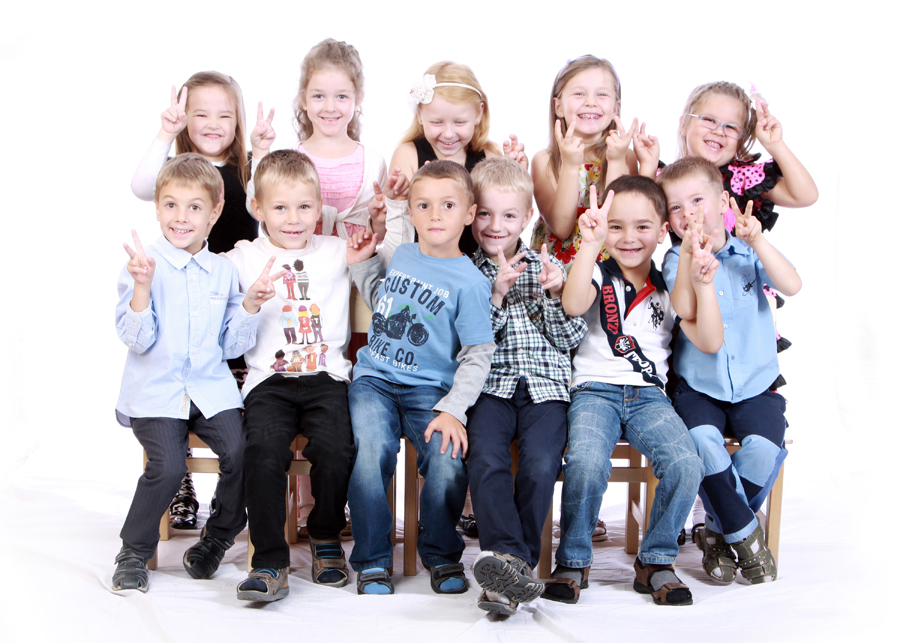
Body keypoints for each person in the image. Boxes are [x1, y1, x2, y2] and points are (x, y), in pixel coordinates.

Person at [549, 175, 721, 606]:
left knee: (685, 463)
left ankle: (656, 560)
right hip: (594, 391)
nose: (629, 237)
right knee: (587, 462)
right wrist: (590, 245)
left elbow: (705, 335)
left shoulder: (668, 285)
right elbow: (572, 303)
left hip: (649, 396)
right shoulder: (597, 272)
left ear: (662, 231)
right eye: (617, 226)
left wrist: (696, 270)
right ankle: (573, 560)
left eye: (642, 226)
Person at [113, 154, 275, 592]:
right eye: (171, 205)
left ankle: (218, 537)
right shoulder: (143, 265)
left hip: (209, 388)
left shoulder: (222, 270)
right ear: (157, 208)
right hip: (158, 392)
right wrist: (142, 288)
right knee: (167, 467)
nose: (181, 217)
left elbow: (229, 346)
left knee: (244, 453)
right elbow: (137, 340)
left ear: (214, 213)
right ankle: (133, 551)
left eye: (194, 207)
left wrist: (249, 305)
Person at [225, 150, 379, 601]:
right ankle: (269, 560)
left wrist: (370, 249)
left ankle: (325, 534)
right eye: (280, 207)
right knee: (262, 450)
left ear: (320, 208)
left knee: (336, 448)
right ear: (258, 208)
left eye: (304, 207)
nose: (293, 219)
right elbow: (221, 325)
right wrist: (249, 303)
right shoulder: (243, 257)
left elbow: (384, 272)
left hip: (326, 377)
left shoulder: (336, 250)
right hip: (267, 382)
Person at [346, 160, 494, 595]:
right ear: (410, 211)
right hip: (374, 380)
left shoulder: (471, 282)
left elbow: (478, 354)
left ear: (468, 214)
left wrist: (454, 409)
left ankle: (441, 553)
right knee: (371, 451)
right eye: (423, 205)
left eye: (448, 205)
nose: (434, 215)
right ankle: (373, 559)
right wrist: (362, 265)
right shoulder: (404, 255)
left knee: (447, 459)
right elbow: (384, 305)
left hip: (429, 390)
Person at [659, 157, 800, 585]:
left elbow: (792, 284)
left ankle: (718, 531)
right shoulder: (674, 259)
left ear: (723, 201)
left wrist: (757, 240)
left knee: (763, 450)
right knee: (702, 442)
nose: (688, 214)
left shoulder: (747, 251)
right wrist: (691, 260)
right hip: (699, 389)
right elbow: (684, 307)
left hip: (757, 386)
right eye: (676, 207)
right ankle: (745, 536)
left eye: (697, 201)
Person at [131, 71, 260, 529]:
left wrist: (262, 151)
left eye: (224, 115)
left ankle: (231, 494)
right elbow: (141, 186)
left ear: (237, 120)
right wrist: (165, 133)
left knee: (224, 389)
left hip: (228, 291)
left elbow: (267, 199)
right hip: (179, 292)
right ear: (185, 117)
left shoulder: (246, 166)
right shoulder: (174, 168)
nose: (212, 123)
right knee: (176, 385)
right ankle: (179, 481)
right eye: (200, 114)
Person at [464, 158, 587, 616]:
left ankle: (510, 569)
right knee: (486, 458)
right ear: (471, 214)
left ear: (527, 218)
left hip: (545, 389)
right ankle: (512, 564)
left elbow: (570, 338)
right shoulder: (465, 273)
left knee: (539, 463)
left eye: (509, 215)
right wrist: (495, 296)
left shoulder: (546, 267)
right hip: (491, 388)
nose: (496, 226)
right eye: (485, 214)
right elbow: (468, 342)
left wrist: (555, 295)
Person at [531, 56, 657, 269]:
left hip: (608, 271)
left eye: (602, 94)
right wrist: (570, 165)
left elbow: (623, 217)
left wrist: (617, 161)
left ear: (615, 108)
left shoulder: (625, 156)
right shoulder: (545, 161)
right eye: (579, 94)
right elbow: (561, 228)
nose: (591, 102)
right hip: (557, 273)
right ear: (558, 106)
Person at [388, 61, 526, 255]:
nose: (448, 134)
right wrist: (398, 196)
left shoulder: (488, 156)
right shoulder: (408, 155)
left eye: (460, 122)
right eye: (437, 122)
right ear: (420, 115)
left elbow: (504, 216)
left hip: (477, 266)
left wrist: (513, 174)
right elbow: (397, 225)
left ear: (478, 113)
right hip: (423, 264)